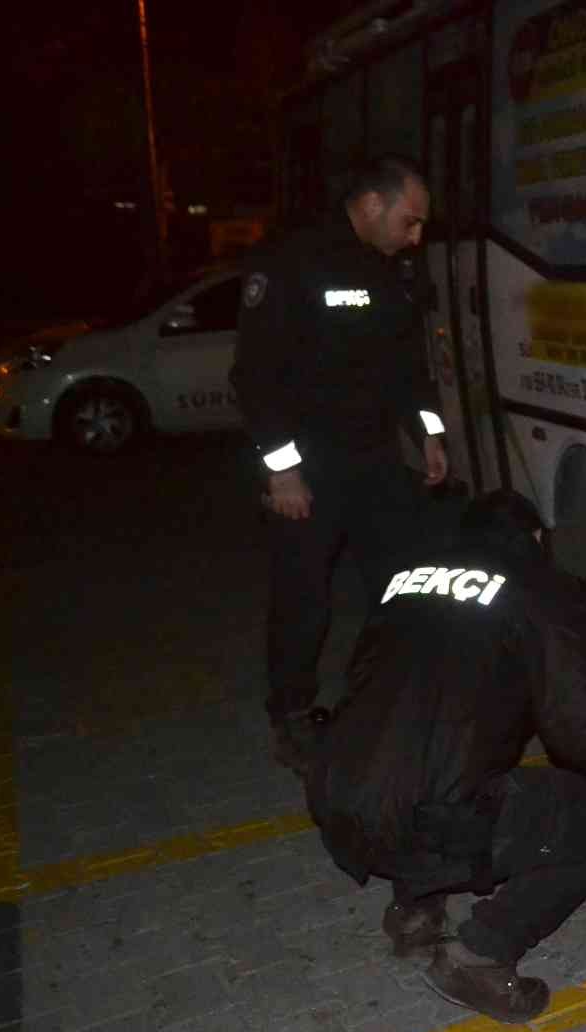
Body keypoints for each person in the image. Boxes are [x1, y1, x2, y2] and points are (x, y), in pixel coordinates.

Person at [303, 490, 586, 1022]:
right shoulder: (544, 591)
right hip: (428, 815)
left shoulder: (405, 582)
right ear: (536, 538)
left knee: (428, 762)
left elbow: (369, 689)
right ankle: (480, 953)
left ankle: (414, 912)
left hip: (335, 792)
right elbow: (580, 731)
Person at [229, 154, 449, 773]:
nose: (417, 237)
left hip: (375, 459)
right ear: (373, 205)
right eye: (410, 222)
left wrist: (429, 434)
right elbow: (255, 378)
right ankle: (292, 715)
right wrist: (282, 471)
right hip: (308, 468)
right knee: (305, 599)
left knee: (401, 582)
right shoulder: (292, 261)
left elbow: (408, 369)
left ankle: (392, 695)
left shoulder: (391, 272)